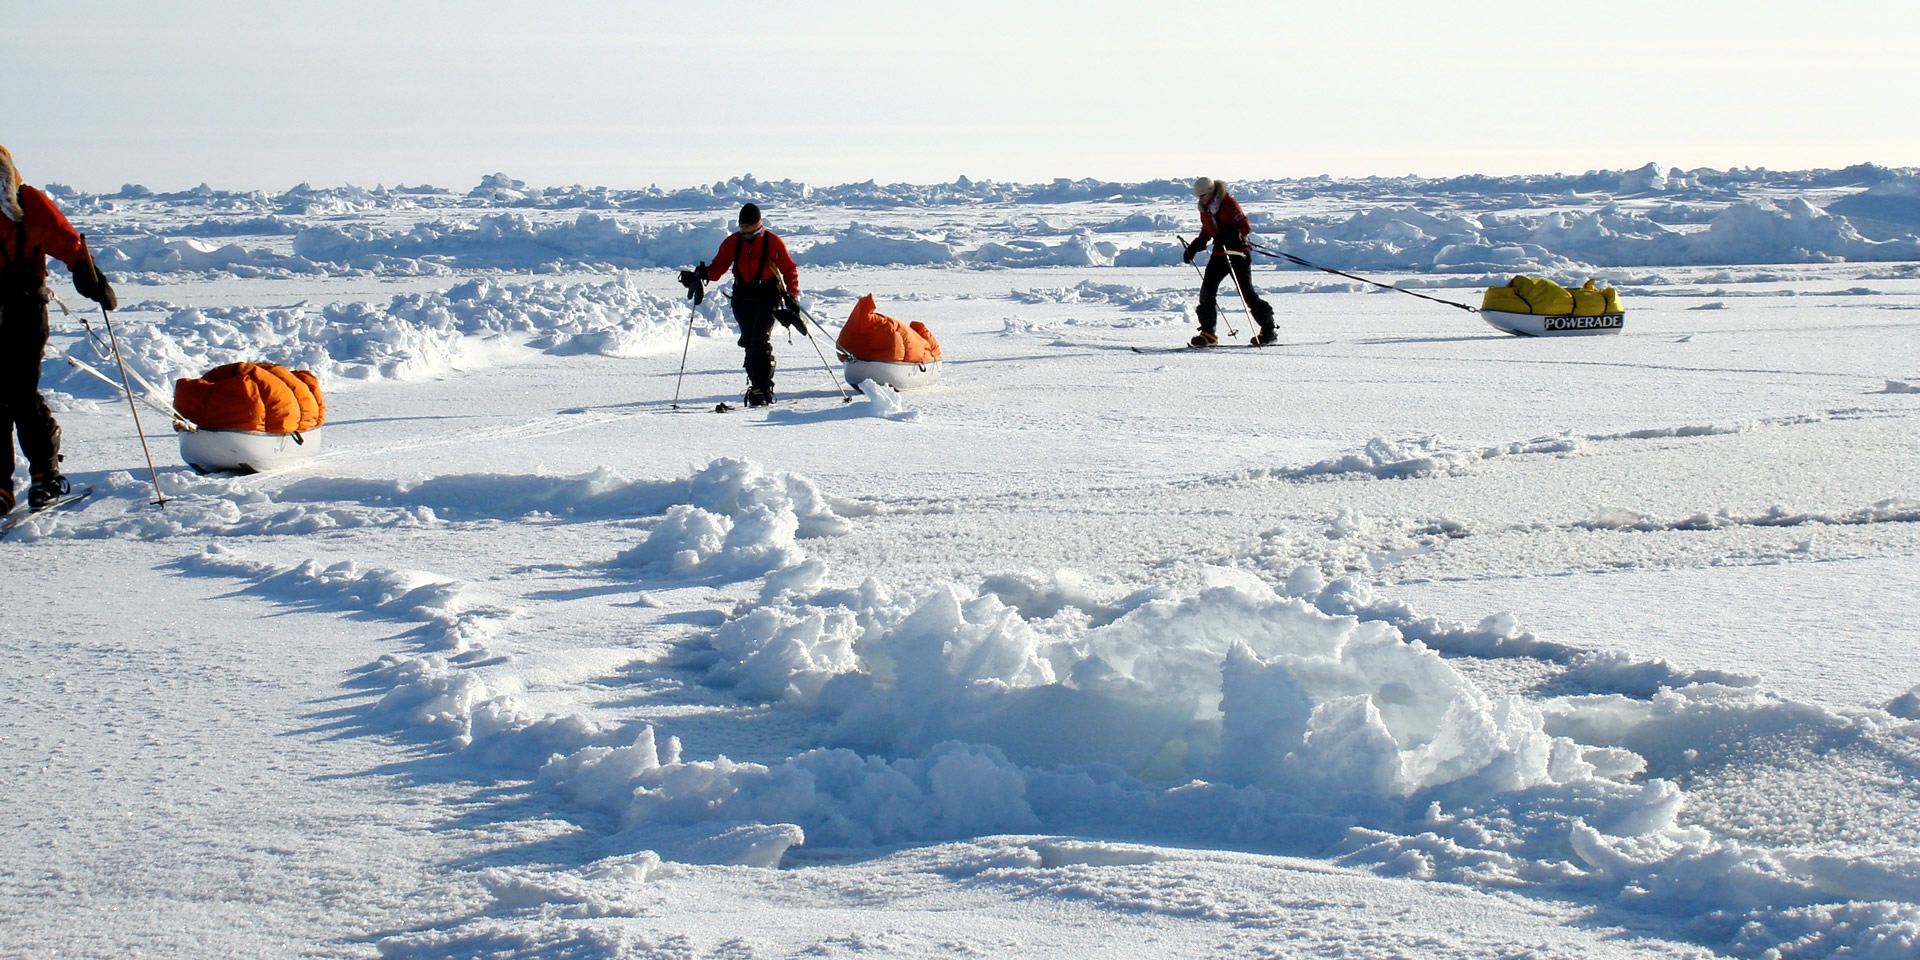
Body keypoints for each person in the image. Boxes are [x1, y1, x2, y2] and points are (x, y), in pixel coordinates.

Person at [0, 145, 117, 513]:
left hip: (23, 308)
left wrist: (89, 276)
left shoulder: (26, 201)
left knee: (20, 394)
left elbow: (66, 240)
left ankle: (45, 476)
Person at [682, 203, 802, 407]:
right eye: (743, 227)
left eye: (750, 228)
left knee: (759, 340)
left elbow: (789, 269)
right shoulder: (732, 242)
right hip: (742, 297)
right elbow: (718, 269)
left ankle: (762, 388)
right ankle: (756, 386)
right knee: (749, 342)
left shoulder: (773, 241)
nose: (746, 232)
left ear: (759, 224)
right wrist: (701, 274)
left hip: (768, 295)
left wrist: (793, 294)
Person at [1182, 177, 1276, 347]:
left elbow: (1244, 226)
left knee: (1247, 294)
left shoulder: (1228, 204)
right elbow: (1208, 228)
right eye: (1199, 196)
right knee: (1207, 292)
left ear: (1211, 192)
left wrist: (1231, 233)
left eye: (1203, 195)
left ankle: (1268, 329)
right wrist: (1197, 244)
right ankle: (1208, 334)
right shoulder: (1205, 208)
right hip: (1219, 254)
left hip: (1238, 254)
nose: (1201, 199)